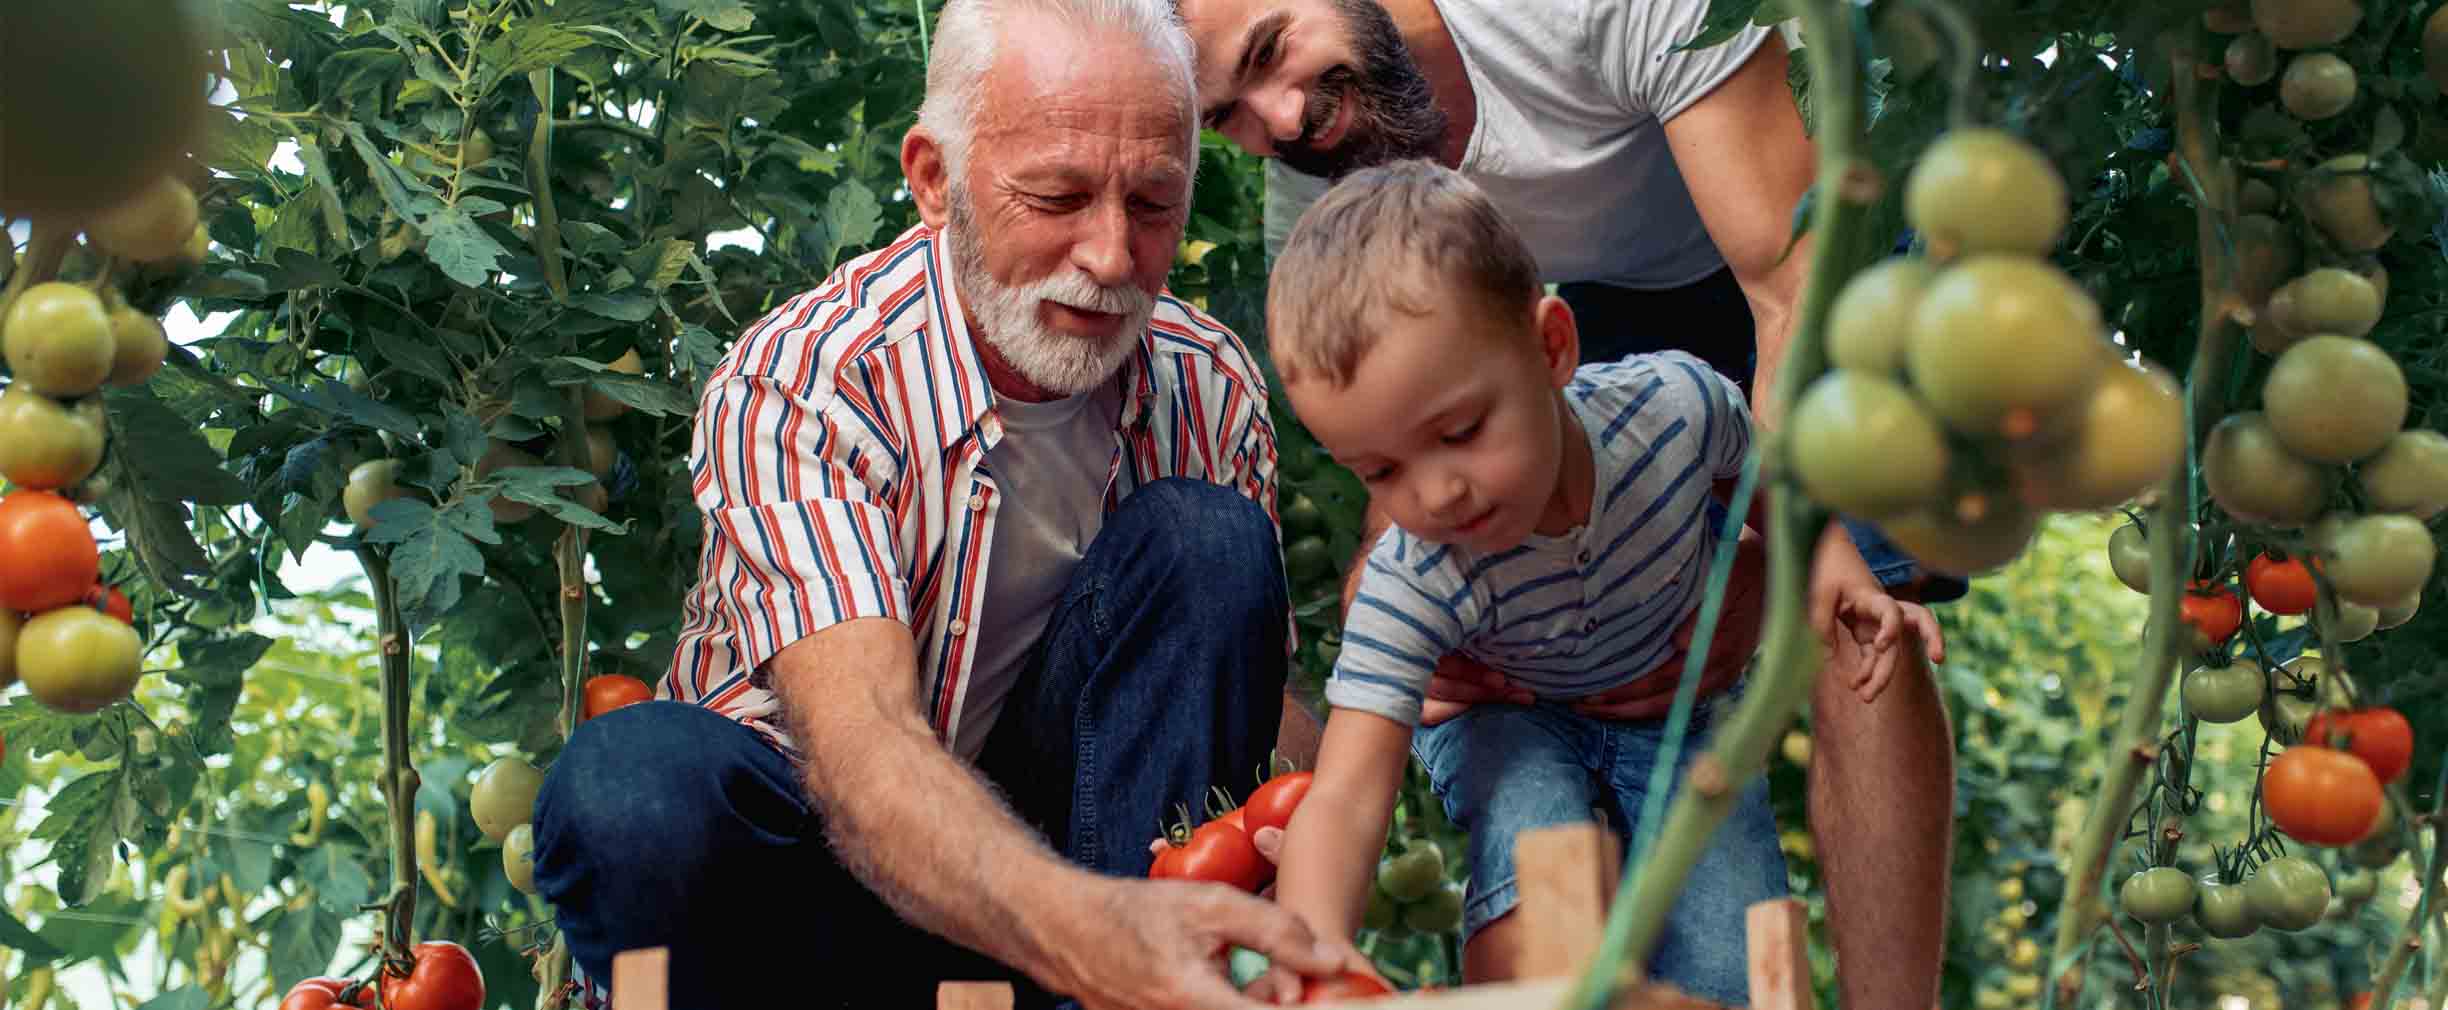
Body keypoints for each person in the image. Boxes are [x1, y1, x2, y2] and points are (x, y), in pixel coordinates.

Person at [524, 0, 1352, 1006]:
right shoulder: (808, 380)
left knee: (1208, 544)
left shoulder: (1206, 383)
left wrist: (1349, 777)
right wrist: (1092, 928)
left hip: (1072, 879)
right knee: (630, 785)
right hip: (820, 879)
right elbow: (865, 746)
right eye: (1056, 196)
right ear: (934, 180)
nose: (1108, 255)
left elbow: (1230, 706)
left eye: (1152, 204)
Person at [1172, 0, 1964, 1004]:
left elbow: (1788, 301)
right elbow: (1397, 433)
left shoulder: (1571, 11)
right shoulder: (1322, 190)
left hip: (1783, 237)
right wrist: (1418, 627)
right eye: (1229, 116)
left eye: (1271, 51)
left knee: (1863, 615)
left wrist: (1777, 566)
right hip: (1559, 310)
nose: (1279, 122)